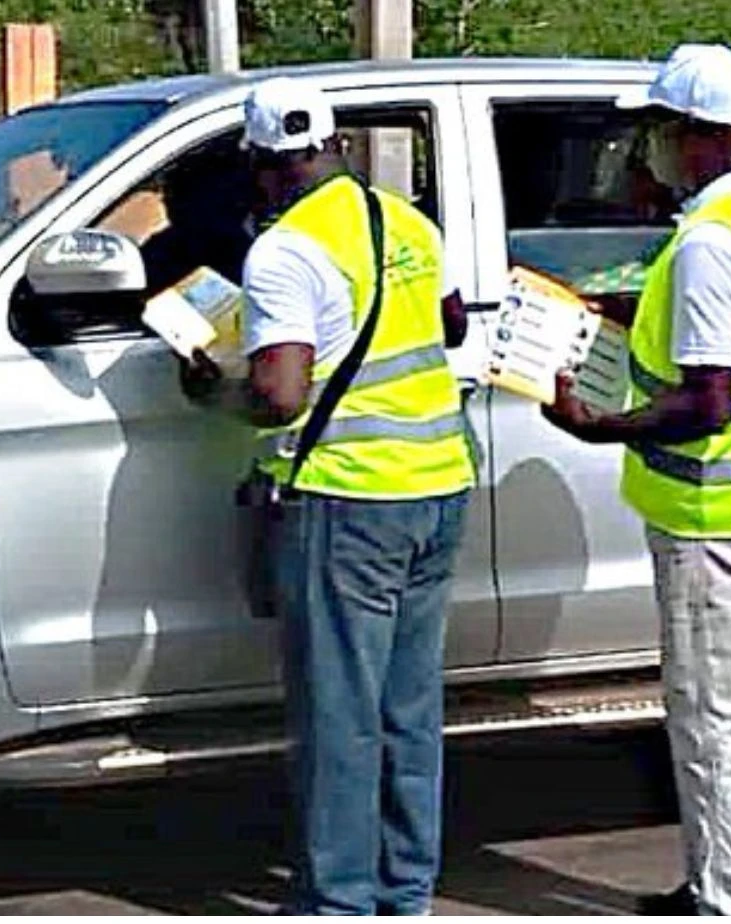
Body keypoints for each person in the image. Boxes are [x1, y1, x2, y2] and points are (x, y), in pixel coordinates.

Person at [180, 76, 476, 915]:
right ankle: (405, 891)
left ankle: (337, 903)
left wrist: (210, 391)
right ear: (333, 148)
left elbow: (280, 394)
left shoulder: (283, 252)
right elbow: (448, 324)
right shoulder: (406, 220)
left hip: (350, 500)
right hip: (438, 486)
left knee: (340, 716)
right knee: (407, 711)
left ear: (263, 166)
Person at [540, 44, 731, 916]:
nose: (650, 148)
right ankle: (712, 886)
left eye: (661, 129)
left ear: (702, 137)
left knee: (713, 720)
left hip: (714, 512)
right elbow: (719, 339)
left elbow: (706, 401)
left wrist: (599, 426)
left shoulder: (713, 242)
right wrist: (620, 311)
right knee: (715, 712)